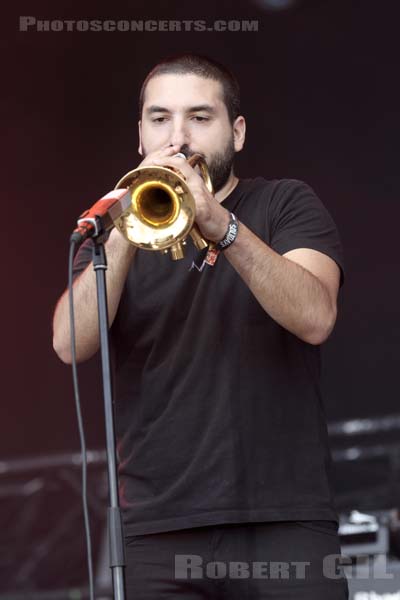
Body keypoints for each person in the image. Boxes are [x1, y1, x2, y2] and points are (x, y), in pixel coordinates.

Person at [53, 54, 348, 599]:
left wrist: (221, 225)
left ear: (236, 131)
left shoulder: (284, 203)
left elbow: (315, 317)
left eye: (199, 117)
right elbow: (72, 343)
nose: (179, 135)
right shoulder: (111, 233)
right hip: (157, 528)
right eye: (160, 118)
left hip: (282, 518)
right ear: (140, 135)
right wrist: (122, 230)